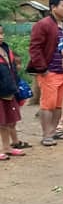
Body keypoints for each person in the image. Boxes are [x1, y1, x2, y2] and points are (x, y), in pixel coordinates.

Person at [28, 0, 63, 146]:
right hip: (49, 71)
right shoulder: (43, 24)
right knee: (48, 105)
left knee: (59, 105)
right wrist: (42, 69)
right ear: (53, 7)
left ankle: (53, 133)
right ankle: (46, 135)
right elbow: (34, 48)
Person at [0, 25, 27, 160]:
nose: (1, 36)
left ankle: (7, 147)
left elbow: (13, 70)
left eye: (2, 33)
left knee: (6, 121)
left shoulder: (5, 48)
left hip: (8, 90)